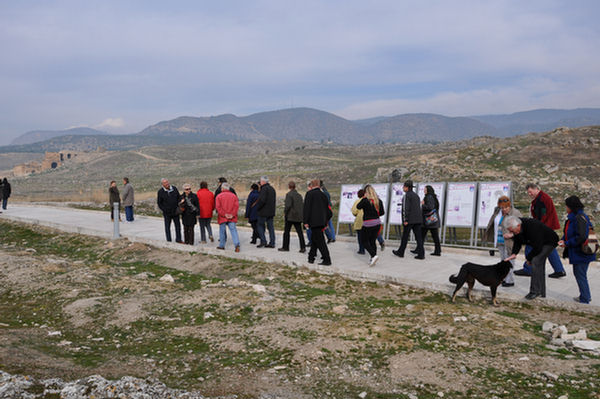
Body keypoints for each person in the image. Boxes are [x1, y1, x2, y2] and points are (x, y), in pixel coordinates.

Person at [514, 183, 566, 278]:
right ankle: (559, 270)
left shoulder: (542, 200)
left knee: (530, 246)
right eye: (528, 192)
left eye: (530, 192)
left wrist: (535, 228)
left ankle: (528, 269)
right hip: (547, 227)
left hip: (544, 227)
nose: (529, 194)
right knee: (550, 248)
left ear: (536, 189)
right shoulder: (542, 198)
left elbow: (542, 216)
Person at [504, 216, 559, 300]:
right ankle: (541, 292)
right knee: (538, 264)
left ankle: (535, 291)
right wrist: (514, 253)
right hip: (538, 243)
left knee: (536, 261)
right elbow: (518, 241)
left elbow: (538, 247)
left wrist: (529, 259)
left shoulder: (532, 227)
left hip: (549, 242)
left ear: (518, 226)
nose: (510, 232)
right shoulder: (518, 228)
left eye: (511, 230)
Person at [558, 196, 595, 304]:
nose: (565, 208)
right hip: (579, 252)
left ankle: (585, 299)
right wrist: (563, 240)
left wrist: (567, 243)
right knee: (580, 274)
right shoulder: (574, 217)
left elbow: (581, 236)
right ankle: (585, 295)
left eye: (566, 206)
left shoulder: (578, 218)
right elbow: (569, 233)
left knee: (580, 274)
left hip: (582, 253)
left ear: (571, 206)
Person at [484, 196, 522, 287]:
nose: (504, 209)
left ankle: (510, 280)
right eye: (502, 207)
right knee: (503, 260)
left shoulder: (515, 213)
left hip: (510, 240)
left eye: (506, 207)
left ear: (510, 205)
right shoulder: (497, 211)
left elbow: (522, 228)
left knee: (509, 260)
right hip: (500, 239)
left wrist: (512, 234)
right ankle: (504, 278)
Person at [392, 180, 425, 259]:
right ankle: (421, 254)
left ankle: (401, 252)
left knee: (405, 237)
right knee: (418, 237)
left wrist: (405, 220)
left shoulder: (407, 196)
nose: (403, 188)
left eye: (404, 187)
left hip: (409, 220)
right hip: (418, 219)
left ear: (407, 188)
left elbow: (405, 209)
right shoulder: (416, 196)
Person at [303, 179, 332, 265]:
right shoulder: (323, 195)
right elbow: (328, 211)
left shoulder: (309, 194)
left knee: (320, 241)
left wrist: (305, 221)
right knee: (314, 239)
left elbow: (306, 209)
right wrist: (326, 220)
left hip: (313, 222)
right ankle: (311, 257)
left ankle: (327, 259)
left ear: (311, 185)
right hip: (321, 221)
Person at [357, 184, 385, 266]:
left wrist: (363, 198)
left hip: (368, 223)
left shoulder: (365, 200)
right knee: (372, 241)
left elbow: (358, 207)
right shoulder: (378, 201)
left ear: (366, 193)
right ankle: (373, 259)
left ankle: (374, 255)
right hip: (377, 223)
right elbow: (382, 212)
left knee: (364, 241)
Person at [279, 181, 306, 253]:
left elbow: (288, 206)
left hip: (290, 216)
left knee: (286, 232)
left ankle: (285, 247)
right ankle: (303, 247)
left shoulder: (289, 195)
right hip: (298, 216)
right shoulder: (299, 195)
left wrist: (285, 213)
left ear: (289, 187)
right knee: (300, 232)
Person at [215, 183, 240, 252]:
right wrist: (232, 214)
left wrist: (224, 214)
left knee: (222, 231)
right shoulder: (234, 196)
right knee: (233, 230)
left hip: (222, 217)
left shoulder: (218, 196)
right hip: (232, 217)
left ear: (222, 188)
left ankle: (222, 245)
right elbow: (236, 206)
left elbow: (218, 207)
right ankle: (237, 244)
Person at [157, 178, 182, 243]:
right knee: (167, 227)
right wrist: (164, 210)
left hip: (175, 212)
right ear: (162, 184)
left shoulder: (174, 188)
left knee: (178, 226)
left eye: (167, 182)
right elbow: (159, 203)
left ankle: (178, 239)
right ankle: (169, 240)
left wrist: (179, 205)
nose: (167, 184)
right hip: (167, 213)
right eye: (165, 183)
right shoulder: (160, 192)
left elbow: (179, 197)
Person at [421, 185, 442, 256]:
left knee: (422, 236)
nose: (424, 190)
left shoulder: (429, 197)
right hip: (433, 221)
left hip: (429, 221)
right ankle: (438, 251)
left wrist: (423, 205)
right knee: (434, 236)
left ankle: (419, 250)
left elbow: (430, 207)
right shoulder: (433, 197)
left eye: (425, 189)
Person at [256, 176, 276, 248]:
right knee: (271, 227)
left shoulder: (264, 189)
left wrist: (258, 208)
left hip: (263, 212)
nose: (260, 182)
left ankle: (263, 241)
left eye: (261, 181)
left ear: (263, 182)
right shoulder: (272, 189)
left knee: (260, 225)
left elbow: (262, 200)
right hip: (271, 211)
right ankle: (272, 242)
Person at [352, 189, 367, 255]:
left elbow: (354, 211)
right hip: (367, 219)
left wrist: (356, 214)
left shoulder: (357, 201)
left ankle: (361, 249)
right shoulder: (368, 201)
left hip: (359, 220)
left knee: (360, 236)